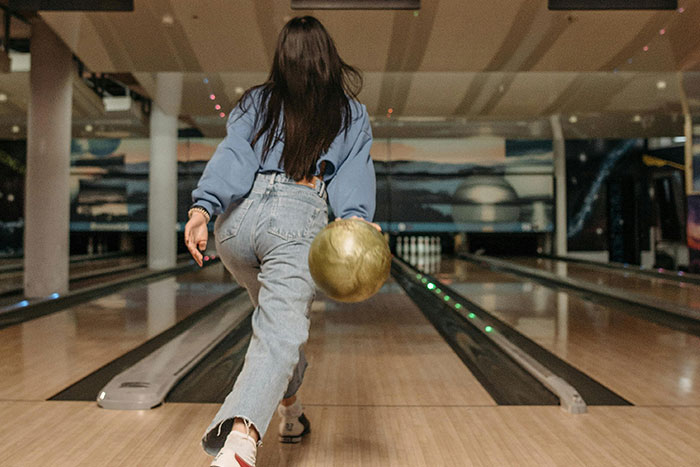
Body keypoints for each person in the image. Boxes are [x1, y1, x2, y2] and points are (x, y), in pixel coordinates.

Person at [184, 16, 377, 467]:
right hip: (295, 220)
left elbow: (234, 156)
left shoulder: (257, 101)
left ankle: (290, 410)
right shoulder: (349, 112)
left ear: (282, 59)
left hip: (235, 225)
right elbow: (353, 180)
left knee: (277, 329)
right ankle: (240, 442)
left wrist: (202, 208)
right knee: (281, 332)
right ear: (329, 58)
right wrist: (358, 223)